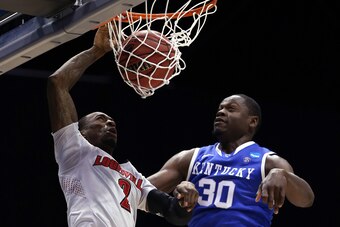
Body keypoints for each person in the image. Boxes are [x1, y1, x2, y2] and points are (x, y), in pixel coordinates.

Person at [46, 24, 198, 227]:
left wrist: (185, 200)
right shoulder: (74, 150)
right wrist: (97, 51)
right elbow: (58, 83)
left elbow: (174, 213)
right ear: (81, 132)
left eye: (111, 121)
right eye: (100, 119)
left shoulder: (131, 175)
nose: (109, 122)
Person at [147, 94, 315, 226]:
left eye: (231, 109)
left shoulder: (268, 161)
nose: (221, 112)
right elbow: (139, 189)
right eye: (220, 108)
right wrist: (179, 190)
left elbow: (306, 200)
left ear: (252, 121)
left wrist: (283, 174)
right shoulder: (190, 158)